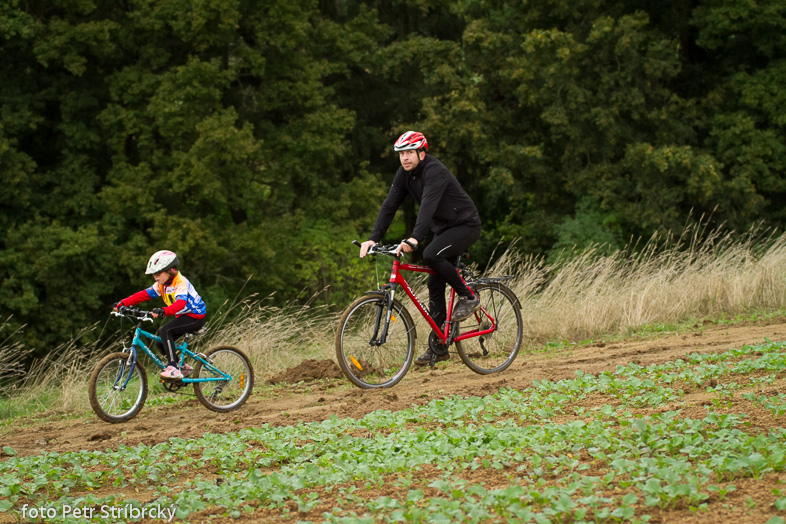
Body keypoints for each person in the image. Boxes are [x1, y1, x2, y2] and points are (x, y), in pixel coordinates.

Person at [359, 131, 482, 365]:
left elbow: (428, 205)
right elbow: (389, 205)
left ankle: (469, 296)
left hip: (465, 224)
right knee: (434, 282)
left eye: (409, 153)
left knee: (430, 254)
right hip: (444, 229)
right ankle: (439, 346)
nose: (404, 158)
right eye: (401, 154)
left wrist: (415, 238)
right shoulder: (404, 174)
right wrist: (373, 238)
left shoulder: (434, 171)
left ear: (422, 153)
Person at [113, 250, 207, 380]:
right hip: (182, 316)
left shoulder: (180, 282)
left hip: (195, 316)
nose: (155, 277)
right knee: (160, 344)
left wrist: (164, 310)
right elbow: (143, 295)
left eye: (158, 273)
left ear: (169, 269)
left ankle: (173, 367)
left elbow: (180, 303)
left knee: (165, 330)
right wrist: (122, 303)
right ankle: (182, 367)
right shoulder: (161, 285)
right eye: (153, 275)